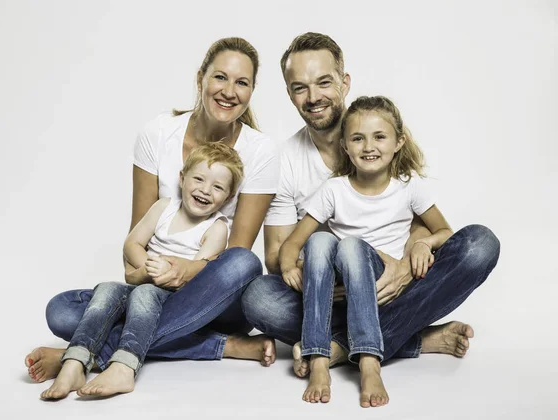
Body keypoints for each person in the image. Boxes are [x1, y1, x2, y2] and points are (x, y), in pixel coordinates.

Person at [241, 33, 500, 405]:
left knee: (479, 244)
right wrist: (323, 283)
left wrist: (404, 269)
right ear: (289, 92)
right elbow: (278, 253)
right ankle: (408, 340)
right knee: (258, 298)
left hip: (394, 284)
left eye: (324, 82)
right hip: (326, 296)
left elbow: (419, 220)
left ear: (344, 82)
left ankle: (338, 349)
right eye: (300, 87)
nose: (313, 97)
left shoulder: (374, 129)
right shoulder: (285, 162)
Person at [26, 37, 280, 385]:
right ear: (200, 78)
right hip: (152, 286)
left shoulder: (261, 151)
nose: (229, 91)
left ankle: (86, 354)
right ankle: (228, 347)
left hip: (213, 299)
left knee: (246, 263)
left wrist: (184, 273)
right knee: (61, 311)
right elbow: (134, 253)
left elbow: (233, 258)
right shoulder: (158, 133)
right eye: (220, 77)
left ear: (252, 90)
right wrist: (147, 272)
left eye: (242, 82)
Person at [280, 95, 456, 406]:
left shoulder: (408, 186)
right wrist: (290, 268)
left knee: (350, 246)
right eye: (358, 139)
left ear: (398, 141)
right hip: (340, 291)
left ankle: (368, 359)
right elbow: (294, 242)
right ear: (345, 147)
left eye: (379, 137)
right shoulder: (334, 190)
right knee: (320, 242)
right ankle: (319, 360)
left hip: (384, 287)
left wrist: (421, 242)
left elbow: (445, 232)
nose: (368, 147)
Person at [41, 142, 241, 399]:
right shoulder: (164, 207)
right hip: (143, 282)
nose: (205, 190)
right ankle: (76, 361)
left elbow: (199, 280)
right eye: (199, 179)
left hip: (172, 300)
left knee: (145, 294)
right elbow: (132, 243)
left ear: (229, 196)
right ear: (182, 178)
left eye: (217, 187)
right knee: (108, 289)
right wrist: (148, 267)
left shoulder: (216, 227)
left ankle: (125, 364)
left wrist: (158, 275)